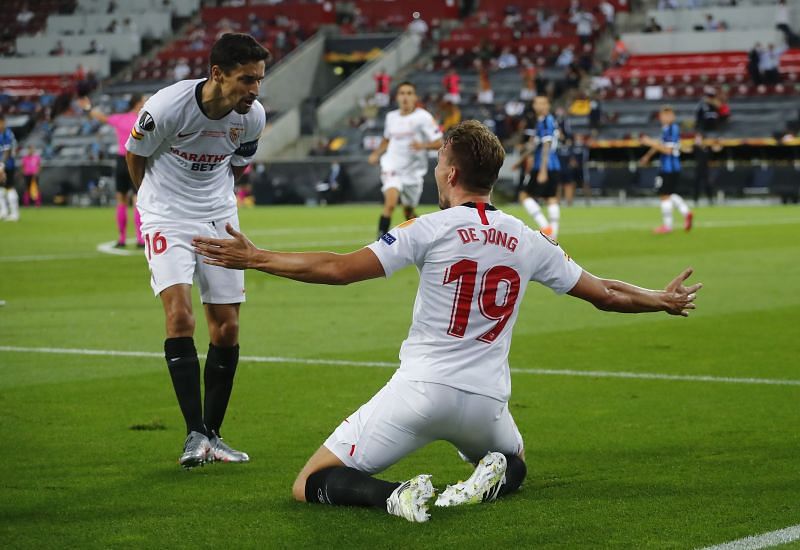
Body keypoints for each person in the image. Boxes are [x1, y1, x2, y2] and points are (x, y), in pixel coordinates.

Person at [192, 119, 703, 523]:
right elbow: (606, 294)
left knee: (310, 482)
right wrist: (660, 298)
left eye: (439, 162)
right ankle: (494, 471)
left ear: (452, 173)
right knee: (515, 458)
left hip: (420, 393)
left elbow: (339, 269)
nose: (436, 171)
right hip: (486, 403)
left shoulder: (429, 228)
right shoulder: (528, 238)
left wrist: (257, 258)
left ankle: (395, 496)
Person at [124, 33, 270, 469]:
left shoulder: (253, 118)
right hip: (166, 215)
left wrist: (214, 203)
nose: (255, 90)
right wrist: (151, 205)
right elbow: (134, 154)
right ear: (217, 74)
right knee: (181, 317)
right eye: (247, 79)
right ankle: (193, 435)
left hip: (218, 216)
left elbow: (237, 165)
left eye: (259, 80)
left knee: (226, 328)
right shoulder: (166, 107)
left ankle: (213, 434)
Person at [368, 81, 442, 238]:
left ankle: (421, 237)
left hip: (413, 172)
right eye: (402, 93)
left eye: (409, 93)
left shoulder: (423, 117)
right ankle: (381, 241)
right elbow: (387, 139)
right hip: (392, 166)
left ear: (415, 97)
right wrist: (376, 153)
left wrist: (422, 145)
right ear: (397, 97)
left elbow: (439, 142)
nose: (405, 97)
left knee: (409, 211)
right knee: (390, 203)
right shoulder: (391, 117)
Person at [80, 94, 147, 248]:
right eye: (143, 102)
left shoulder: (120, 118)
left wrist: (88, 108)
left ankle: (122, 238)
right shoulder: (141, 120)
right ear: (137, 104)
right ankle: (139, 238)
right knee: (137, 200)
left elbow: (100, 117)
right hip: (135, 160)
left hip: (120, 160)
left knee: (121, 200)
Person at [639, 106, 694, 234]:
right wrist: (648, 156)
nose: (665, 117)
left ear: (673, 117)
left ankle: (668, 226)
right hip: (671, 167)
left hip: (669, 167)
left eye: (668, 115)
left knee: (664, 195)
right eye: (663, 115)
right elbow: (661, 144)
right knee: (669, 194)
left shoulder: (671, 129)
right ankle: (686, 212)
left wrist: (649, 142)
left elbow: (667, 150)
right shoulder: (667, 130)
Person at [518, 95, 561, 238]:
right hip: (553, 165)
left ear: (548, 105)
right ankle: (553, 233)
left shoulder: (546, 121)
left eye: (542, 103)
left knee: (524, 195)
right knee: (551, 197)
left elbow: (546, 144)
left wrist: (543, 170)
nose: (538, 106)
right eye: (536, 103)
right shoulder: (543, 121)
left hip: (544, 165)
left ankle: (545, 227)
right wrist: (520, 162)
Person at [0, 115, 19, 222]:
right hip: (1, 165)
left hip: (8, 165)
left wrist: (2, 166)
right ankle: (3, 211)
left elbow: (7, 151)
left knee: (9, 187)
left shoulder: (7, 133)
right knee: (1, 189)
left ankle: (15, 214)